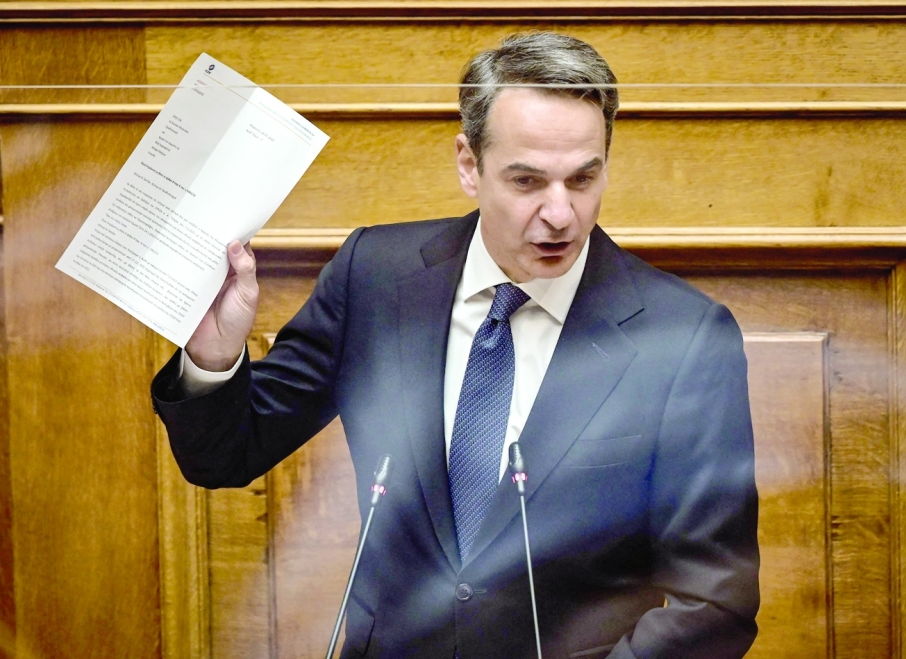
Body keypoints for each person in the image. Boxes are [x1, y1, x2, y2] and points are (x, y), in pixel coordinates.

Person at [152, 32, 760, 658]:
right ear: (469, 164)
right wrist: (214, 359)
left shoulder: (683, 337)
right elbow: (224, 457)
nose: (561, 214)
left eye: (583, 178)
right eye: (527, 181)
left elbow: (716, 603)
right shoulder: (375, 276)